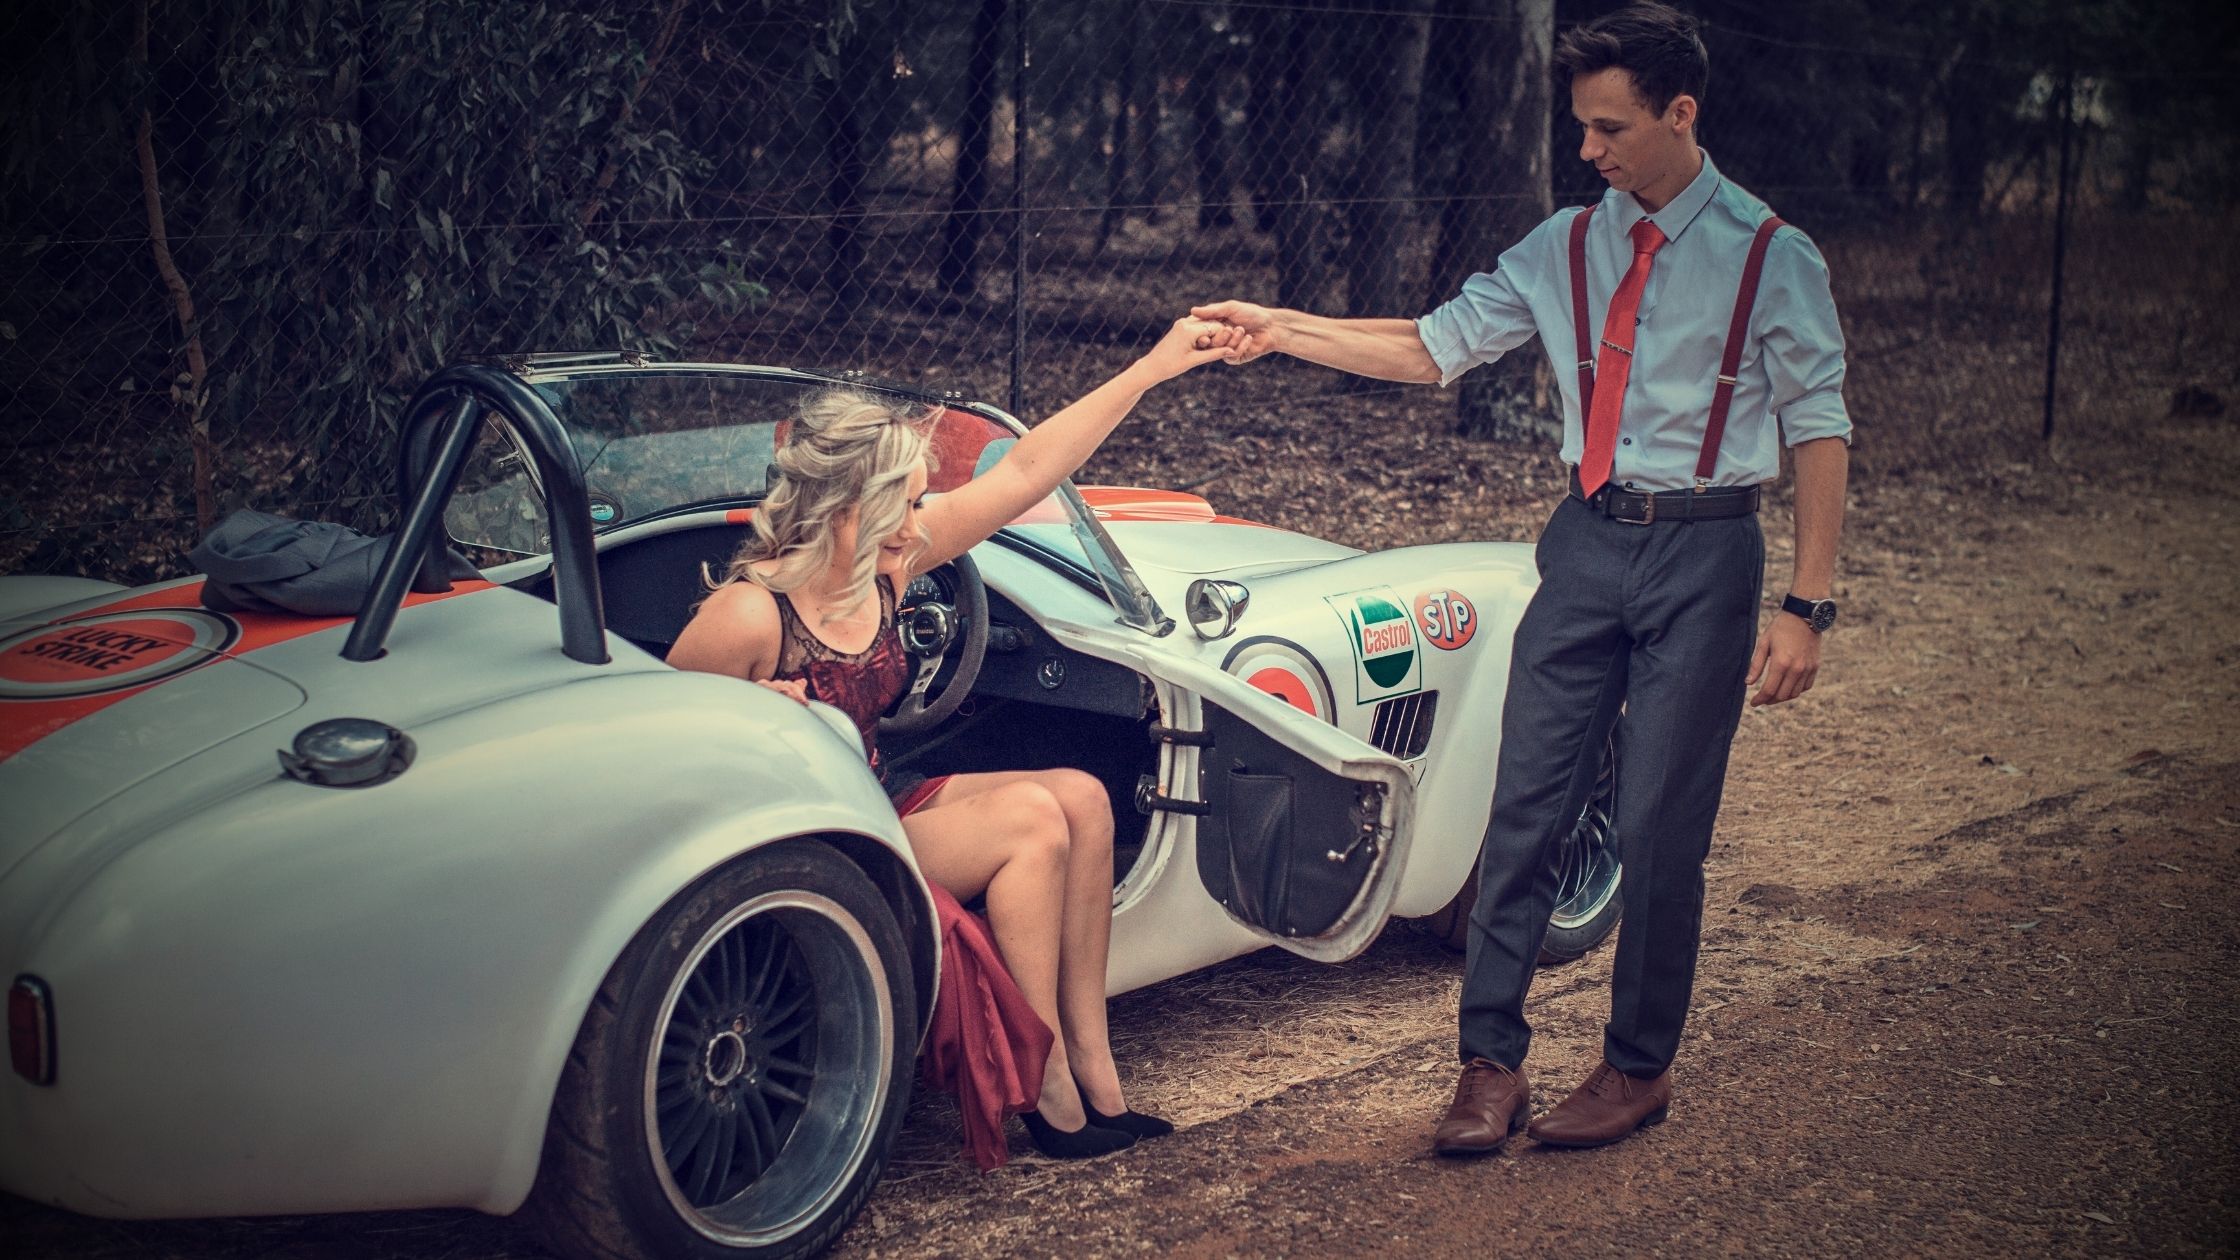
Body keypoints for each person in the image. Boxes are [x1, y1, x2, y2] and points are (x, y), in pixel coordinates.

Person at [1193, 0, 1849, 1154]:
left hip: (1706, 551)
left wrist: (1804, 604)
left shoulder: (1768, 254)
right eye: (1579, 128)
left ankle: (1635, 1066)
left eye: (1607, 127)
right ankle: (1486, 1064)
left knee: (1656, 827)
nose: (1586, 149)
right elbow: (1426, 345)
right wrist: (1278, 327)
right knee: (1523, 805)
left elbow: (1818, 429)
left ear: (1677, 114)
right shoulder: (1562, 245)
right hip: (1585, 543)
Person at [667, 317, 1239, 1160]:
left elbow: (1033, 467)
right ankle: (1044, 1088)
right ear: (844, 507)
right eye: (902, 500)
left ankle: (1094, 1065)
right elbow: (658, 745)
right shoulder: (751, 612)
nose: (918, 518)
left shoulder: (891, 561)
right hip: (820, 838)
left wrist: (1150, 370)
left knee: (1081, 795)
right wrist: (763, 717)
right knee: (1032, 825)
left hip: (874, 795)